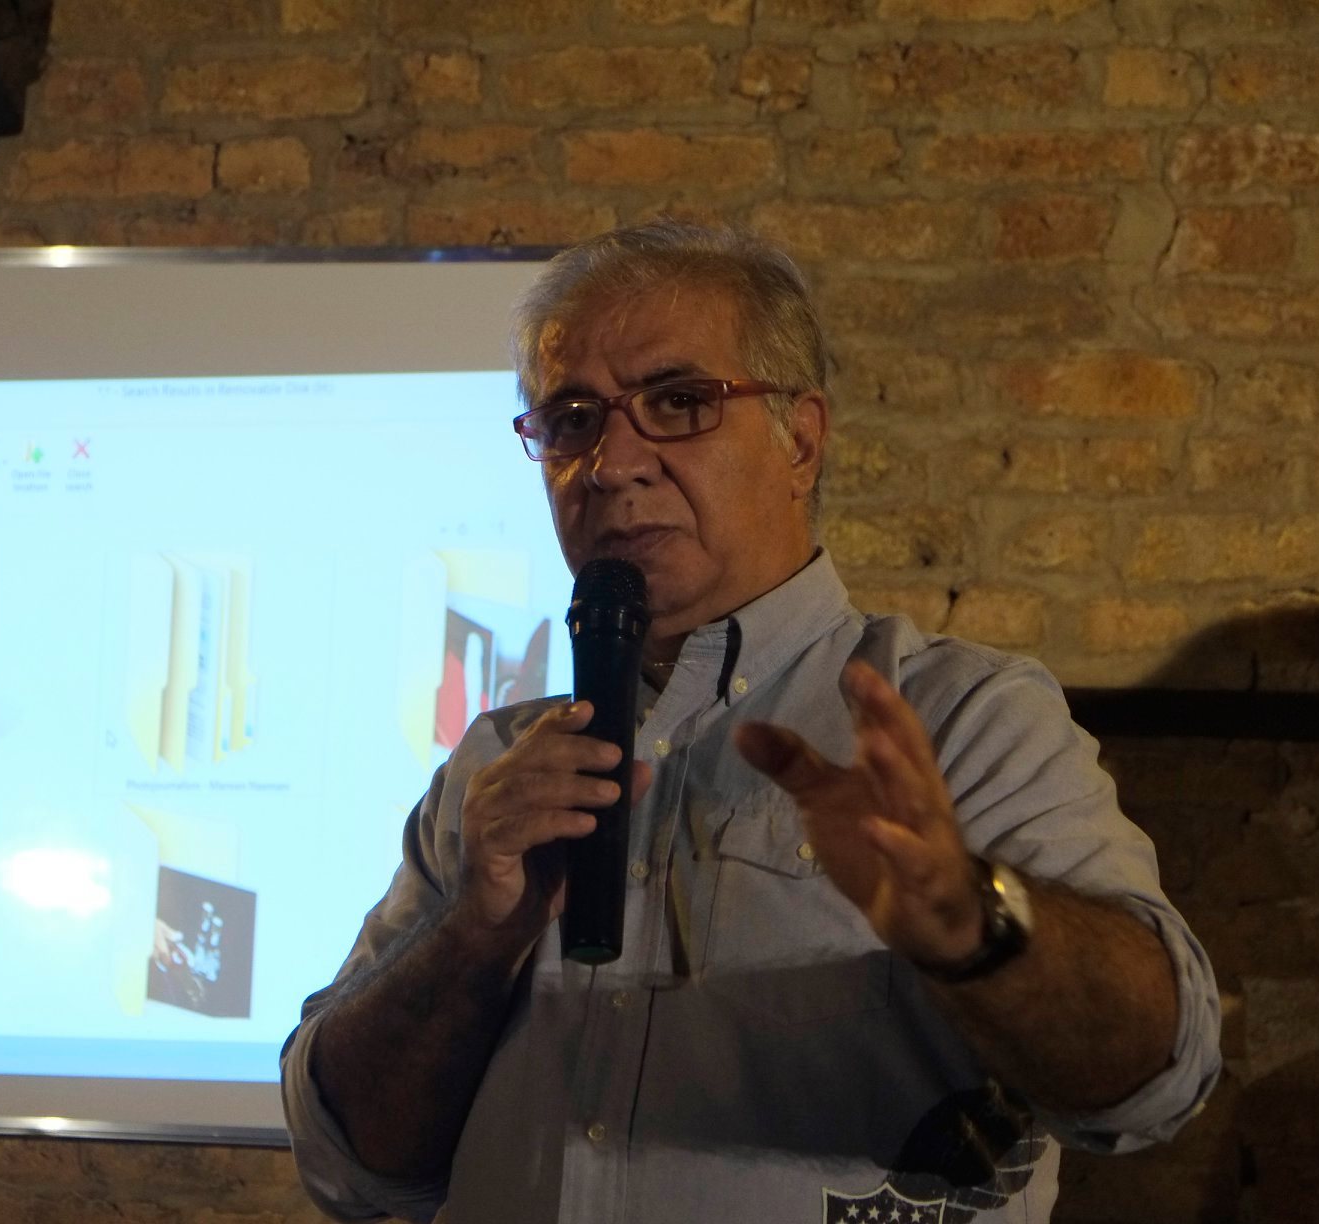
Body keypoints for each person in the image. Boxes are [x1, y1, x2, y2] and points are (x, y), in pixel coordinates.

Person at [280, 221, 1221, 1223]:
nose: (610, 463)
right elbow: (350, 1164)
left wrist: (976, 921)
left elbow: (1160, 1076)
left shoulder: (962, 719)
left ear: (799, 442)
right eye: (571, 420)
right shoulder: (498, 766)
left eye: (678, 403)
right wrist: (476, 934)